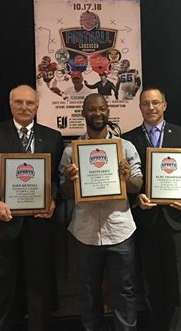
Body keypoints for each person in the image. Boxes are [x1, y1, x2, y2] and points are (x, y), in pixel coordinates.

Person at [0, 85, 63, 331]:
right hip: (1, 224)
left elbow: (55, 180)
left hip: (39, 224)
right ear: (10, 105)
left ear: (37, 106)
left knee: (39, 289)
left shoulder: (52, 137)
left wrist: (52, 199)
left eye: (30, 103)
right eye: (19, 102)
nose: (24, 107)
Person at [59, 93, 143, 331]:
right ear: (84, 114)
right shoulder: (71, 152)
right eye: (92, 110)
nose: (97, 113)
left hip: (120, 231)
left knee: (124, 294)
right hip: (85, 233)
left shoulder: (124, 148)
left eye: (102, 109)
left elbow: (138, 185)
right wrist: (68, 180)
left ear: (108, 112)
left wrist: (127, 179)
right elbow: (65, 193)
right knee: (88, 294)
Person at [123, 87, 181, 331]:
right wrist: (137, 200)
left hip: (177, 219)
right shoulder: (128, 138)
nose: (151, 108)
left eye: (156, 103)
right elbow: (125, 182)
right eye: (146, 104)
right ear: (140, 107)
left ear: (165, 105)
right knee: (151, 282)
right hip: (146, 220)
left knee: (179, 284)